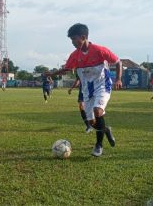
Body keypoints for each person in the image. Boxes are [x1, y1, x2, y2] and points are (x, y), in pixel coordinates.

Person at [45, 23, 122, 157]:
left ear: (84, 37)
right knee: (92, 122)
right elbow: (66, 69)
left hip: (102, 86)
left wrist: (118, 79)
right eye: (71, 40)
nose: (73, 43)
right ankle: (106, 130)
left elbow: (118, 62)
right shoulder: (75, 55)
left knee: (98, 111)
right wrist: (52, 74)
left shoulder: (100, 50)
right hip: (87, 90)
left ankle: (98, 146)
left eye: (74, 39)